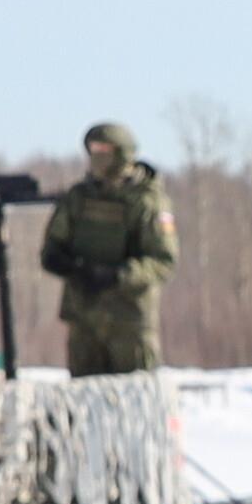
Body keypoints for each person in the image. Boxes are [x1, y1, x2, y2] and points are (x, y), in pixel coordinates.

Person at [45, 118, 174, 375]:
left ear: (122, 154)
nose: (96, 158)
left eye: (104, 152)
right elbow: (52, 249)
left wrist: (116, 275)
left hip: (128, 320)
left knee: (136, 398)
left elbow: (162, 261)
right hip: (84, 318)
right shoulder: (79, 198)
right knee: (84, 401)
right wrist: (74, 269)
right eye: (92, 151)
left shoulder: (147, 201)